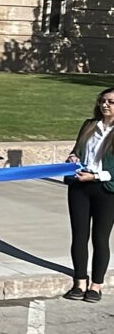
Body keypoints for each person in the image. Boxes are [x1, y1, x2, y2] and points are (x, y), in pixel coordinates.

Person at [63, 87, 114, 303]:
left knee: (100, 238)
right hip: (79, 186)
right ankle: (80, 281)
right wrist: (73, 157)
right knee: (79, 235)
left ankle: (96, 285)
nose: (105, 105)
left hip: (106, 189)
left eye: (111, 102)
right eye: (103, 101)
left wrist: (96, 177)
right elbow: (77, 150)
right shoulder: (89, 125)